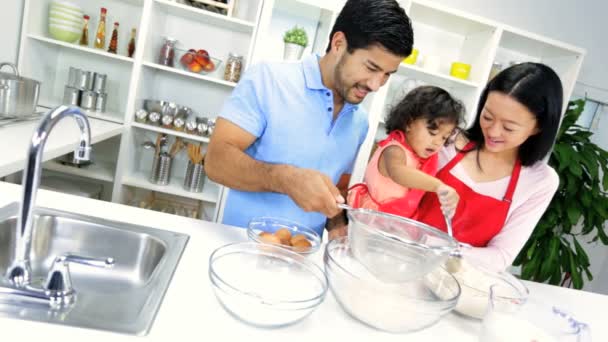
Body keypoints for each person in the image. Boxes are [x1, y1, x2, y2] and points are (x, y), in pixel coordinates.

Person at [204, 0, 414, 236]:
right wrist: (284, 179)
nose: (376, 85)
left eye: (387, 74)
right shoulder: (268, 80)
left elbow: (336, 189)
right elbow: (215, 162)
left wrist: (337, 228)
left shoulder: (359, 122)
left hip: (304, 259)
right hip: (239, 247)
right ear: (338, 43)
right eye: (371, 68)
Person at [414, 62, 563, 271]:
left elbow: (500, 256)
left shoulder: (540, 180)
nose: (493, 132)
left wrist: (437, 246)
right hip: (404, 258)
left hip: (456, 282)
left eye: (508, 127)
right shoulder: (446, 140)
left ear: (538, 127)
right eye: (488, 117)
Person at [346, 85, 465, 219]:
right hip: (371, 218)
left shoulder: (420, 158)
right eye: (432, 132)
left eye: (444, 137)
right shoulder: (394, 150)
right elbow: (399, 173)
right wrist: (437, 186)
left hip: (392, 221)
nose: (437, 142)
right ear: (408, 122)